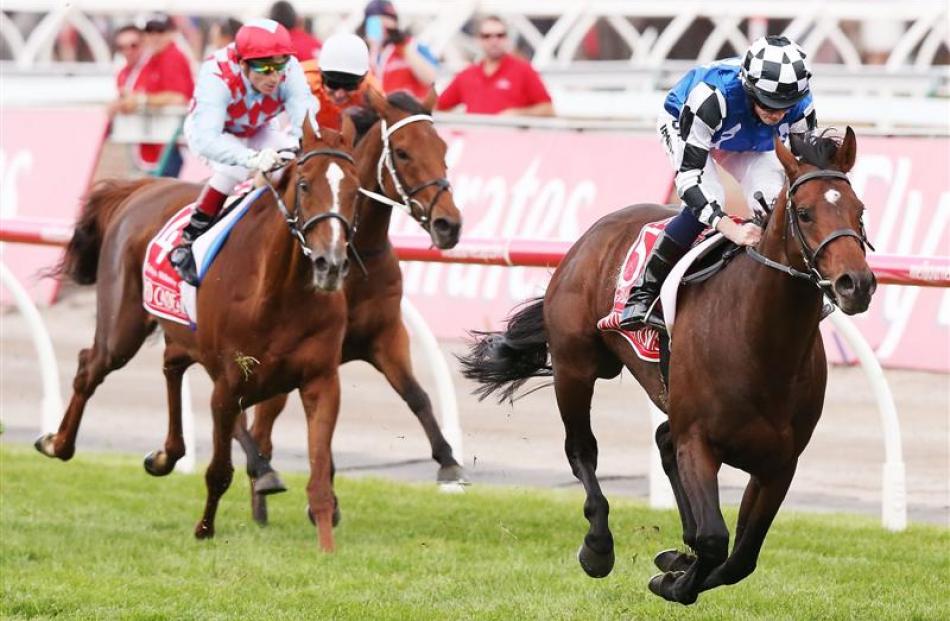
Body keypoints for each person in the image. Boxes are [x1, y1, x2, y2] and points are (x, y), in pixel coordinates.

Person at [619, 35, 817, 329]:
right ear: (749, 88)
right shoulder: (712, 96)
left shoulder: (801, 104)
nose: (776, 114)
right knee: (712, 196)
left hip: (748, 138)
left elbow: (806, 174)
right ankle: (643, 292)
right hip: (689, 122)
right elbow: (688, 181)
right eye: (767, 103)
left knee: (775, 201)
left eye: (784, 106)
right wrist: (731, 229)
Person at [169, 18, 318, 285]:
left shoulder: (290, 71)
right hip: (212, 132)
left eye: (280, 65)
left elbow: (305, 124)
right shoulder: (216, 74)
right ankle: (189, 239)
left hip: (257, 127)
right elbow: (208, 139)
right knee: (234, 168)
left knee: (292, 167)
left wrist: (300, 149)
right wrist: (250, 159)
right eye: (264, 68)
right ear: (242, 63)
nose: (274, 76)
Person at [116, 14, 195, 177]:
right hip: (160, 142)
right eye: (150, 32)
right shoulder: (155, 59)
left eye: (160, 31)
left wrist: (141, 100)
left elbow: (179, 98)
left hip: (170, 144)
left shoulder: (172, 57)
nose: (154, 36)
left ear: (172, 33)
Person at [436, 15, 553, 116]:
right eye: (487, 36)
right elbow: (438, 107)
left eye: (500, 35)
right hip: (474, 139)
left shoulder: (524, 70)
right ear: (478, 39)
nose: (494, 40)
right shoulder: (466, 75)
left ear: (506, 38)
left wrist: (517, 114)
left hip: (511, 139)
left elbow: (548, 109)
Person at [361, 0, 438, 101]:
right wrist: (373, 48)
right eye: (375, 23)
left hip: (410, 110)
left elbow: (431, 79)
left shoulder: (413, 45)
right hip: (383, 111)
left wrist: (405, 50)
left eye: (389, 19)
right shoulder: (366, 52)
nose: (383, 26)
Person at [300, 33, 379, 131]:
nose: (339, 94)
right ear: (320, 72)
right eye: (333, 84)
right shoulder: (299, 81)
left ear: (363, 78)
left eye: (349, 86)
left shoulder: (373, 94)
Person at [107, 24, 146, 117]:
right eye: (122, 47)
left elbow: (178, 98)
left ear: (144, 43)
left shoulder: (155, 66)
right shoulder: (122, 74)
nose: (128, 51)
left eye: (133, 46)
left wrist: (139, 99)